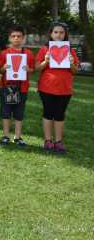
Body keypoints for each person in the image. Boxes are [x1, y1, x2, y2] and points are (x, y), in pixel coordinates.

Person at [35, 22, 79, 153]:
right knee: (48, 113)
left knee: (60, 115)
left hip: (65, 88)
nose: (58, 35)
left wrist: (71, 63)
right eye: (56, 32)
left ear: (65, 34)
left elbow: (75, 70)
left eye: (61, 32)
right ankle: (48, 141)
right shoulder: (44, 49)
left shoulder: (70, 50)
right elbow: (37, 68)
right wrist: (46, 61)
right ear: (50, 34)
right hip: (47, 87)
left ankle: (58, 141)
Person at [0, 25, 35, 146]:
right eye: (13, 36)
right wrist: (3, 68)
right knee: (6, 112)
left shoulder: (28, 54)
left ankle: (17, 136)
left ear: (23, 38)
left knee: (19, 113)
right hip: (6, 87)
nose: (16, 38)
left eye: (19, 36)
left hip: (22, 87)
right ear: (9, 38)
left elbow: (33, 70)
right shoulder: (4, 53)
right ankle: (5, 135)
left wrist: (29, 69)